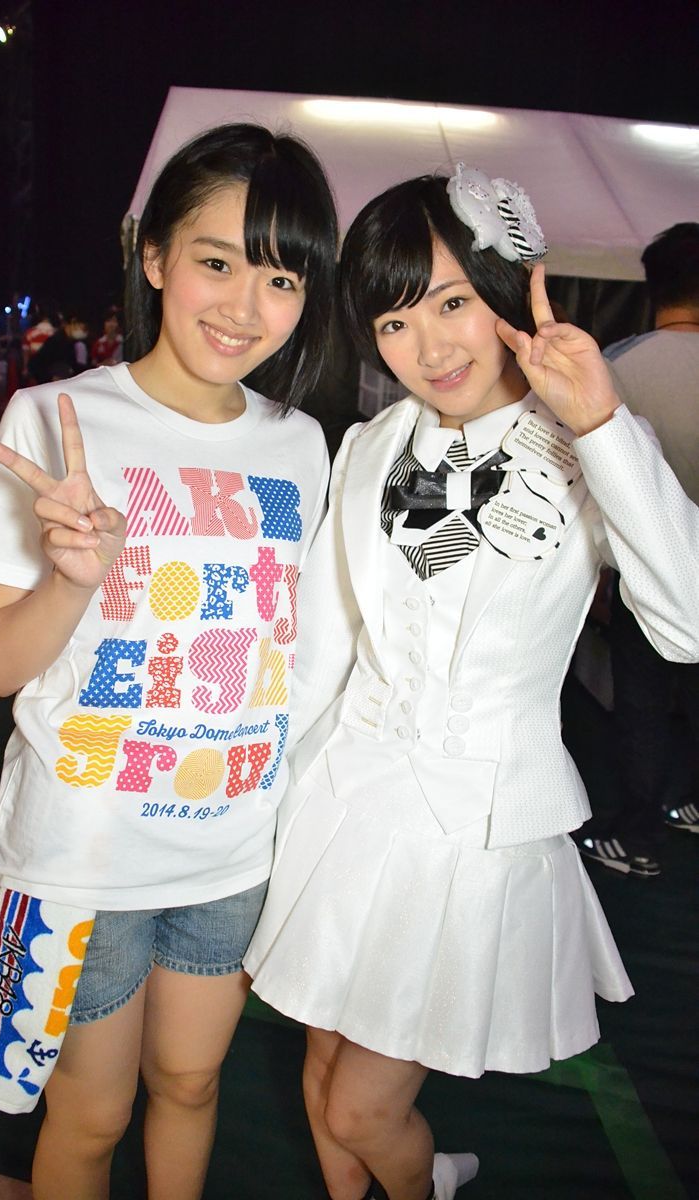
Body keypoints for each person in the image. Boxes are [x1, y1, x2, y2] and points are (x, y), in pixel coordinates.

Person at [243, 165, 699, 1200]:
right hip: (342, 803)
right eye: (395, 322)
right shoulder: (370, 445)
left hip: (474, 828)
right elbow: (325, 640)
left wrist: (602, 426)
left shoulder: (585, 440)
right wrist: (264, 797)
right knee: (320, 1068)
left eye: (451, 303)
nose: (429, 347)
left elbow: (687, 621)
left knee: (362, 1108)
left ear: (504, 289)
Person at [0, 123, 338, 1200]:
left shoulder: (300, 443)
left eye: (281, 279)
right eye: (216, 262)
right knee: (91, 1113)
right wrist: (72, 581)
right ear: (154, 256)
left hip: (233, 850)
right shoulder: (55, 418)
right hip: (84, 854)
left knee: (192, 1083)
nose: (244, 307)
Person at [576, 222, 699, 876]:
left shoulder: (613, 365)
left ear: (654, 288)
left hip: (643, 568)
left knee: (643, 707)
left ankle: (640, 837)